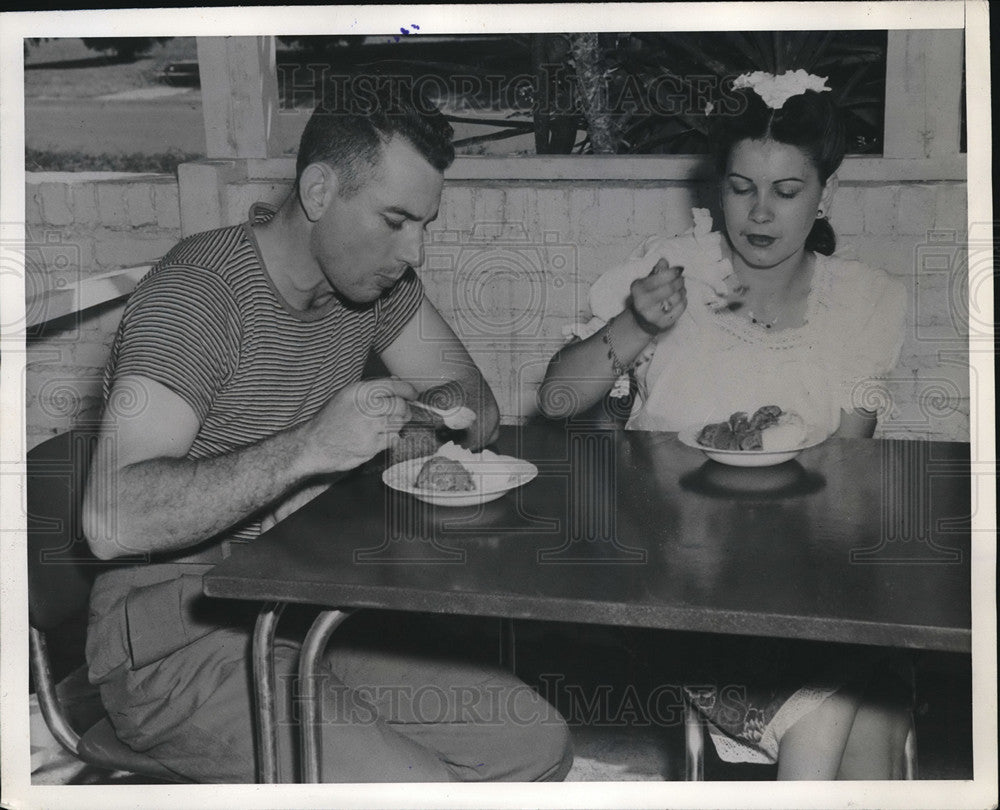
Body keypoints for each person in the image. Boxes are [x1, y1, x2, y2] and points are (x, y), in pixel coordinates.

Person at [81, 79, 572, 784]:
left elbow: (476, 406)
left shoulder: (369, 286)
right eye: (396, 220)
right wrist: (311, 448)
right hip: (177, 636)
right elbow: (111, 520)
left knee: (536, 743)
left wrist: (408, 427)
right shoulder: (195, 296)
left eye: (424, 223)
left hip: (304, 605)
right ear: (318, 191)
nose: (416, 251)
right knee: (414, 790)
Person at [539, 72, 910, 779]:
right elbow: (557, 399)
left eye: (786, 191)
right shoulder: (672, 272)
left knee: (871, 716)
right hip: (680, 586)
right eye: (741, 188)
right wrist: (636, 322)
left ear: (826, 192)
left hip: (807, 589)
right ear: (719, 187)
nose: (759, 214)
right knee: (854, 707)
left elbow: (846, 471)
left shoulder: (862, 302)